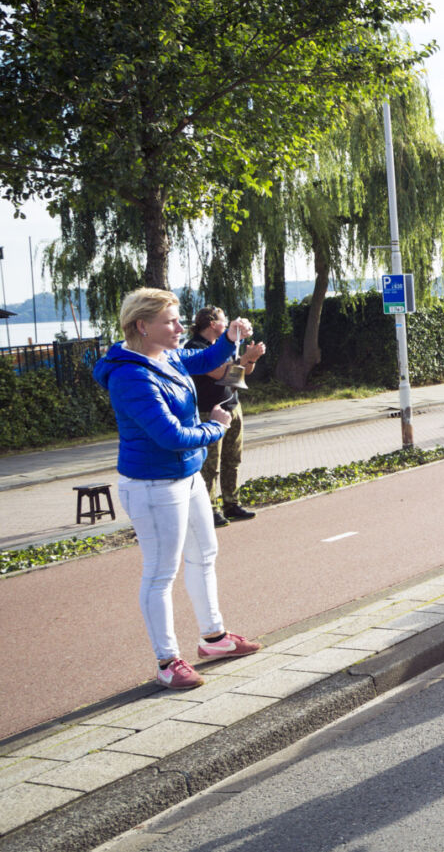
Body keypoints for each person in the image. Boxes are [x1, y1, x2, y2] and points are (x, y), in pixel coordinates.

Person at [94, 289, 263, 690]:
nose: (180, 327)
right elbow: (169, 436)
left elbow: (205, 360)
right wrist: (215, 427)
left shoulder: (165, 355)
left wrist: (231, 338)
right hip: (153, 483)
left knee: (205, 553)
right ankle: (167, 661)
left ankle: (215, 639)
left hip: (186, 476)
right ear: (142, 325)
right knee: (160, 574)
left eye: (179, 319)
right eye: (171, 321)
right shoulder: (130, 375)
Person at [185, 307, 266, 527]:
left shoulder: (224, 346)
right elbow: (218, 373)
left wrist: (251, 358)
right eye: (225, 320)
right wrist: (244, 358)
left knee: (233, 459)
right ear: (212, 324)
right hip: (208, 412)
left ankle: (232, 503)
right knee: (210, 465)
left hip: (232, 407)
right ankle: (209, 509)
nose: (229, 324)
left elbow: (243, 373)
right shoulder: (195, 348)